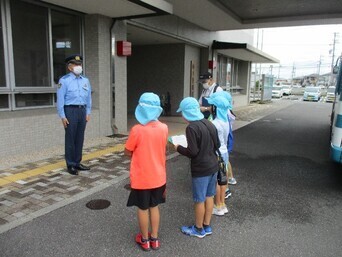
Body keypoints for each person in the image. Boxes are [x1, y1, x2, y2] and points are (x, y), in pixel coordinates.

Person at [125, 92, 168, 251]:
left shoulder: (137, 129)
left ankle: (144, 240)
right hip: (159, 176)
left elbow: (128, 151)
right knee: (154, 207)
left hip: (142, 177)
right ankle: (154, 239)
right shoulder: (164, 128)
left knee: (142, 208)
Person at [174, 97, 219, 238]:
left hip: (201, 169)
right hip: (213, 166)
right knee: (209, 196)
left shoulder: (192, 128)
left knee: (199, 199)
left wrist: (178, 148)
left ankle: (198, 229)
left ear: (187, 112)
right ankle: (207, 225)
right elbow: (217, 144)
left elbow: (192, 152)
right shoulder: (209, 123)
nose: (182, 115)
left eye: (183, 112)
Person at [57, 54, 92, 175]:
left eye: (80, 64)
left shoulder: (85, 80)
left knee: (79, 138)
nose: (79, 66)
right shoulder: (64, 80)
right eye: (76, 64)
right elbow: (60, 99)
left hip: (82, 111)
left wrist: (88, 112)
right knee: (71, 138)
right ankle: (71, 164)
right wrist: (62, 116)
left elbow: (88, 98)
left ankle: (77, 162)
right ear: (70, 67)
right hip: (70, 110)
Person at [207, 94, 230, 216]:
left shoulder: (215, 123)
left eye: (212, 106)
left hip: (216, 153)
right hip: (224, 152)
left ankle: (217, 205)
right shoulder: (226, 120)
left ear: (215, 108)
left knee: (216, 180)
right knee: (223, 179)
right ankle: (223, 204)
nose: (210, 108)